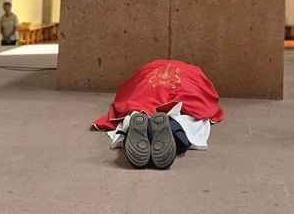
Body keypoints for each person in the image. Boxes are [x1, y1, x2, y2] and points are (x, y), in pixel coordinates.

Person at [92, 60, 225, 169]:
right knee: (190, 115)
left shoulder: (147, 69)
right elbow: (208, 94)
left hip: (147, 86)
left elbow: (127, 88)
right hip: (186, 83)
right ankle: (174, 129)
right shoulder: (194, 72)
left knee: (138, 107)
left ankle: (136, 126)